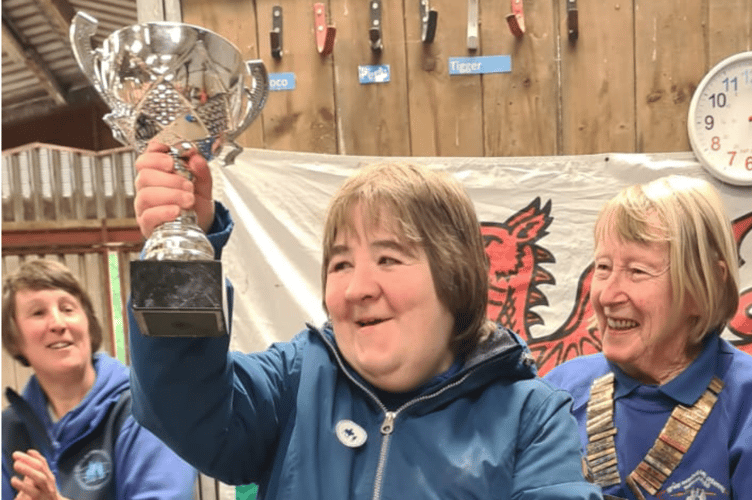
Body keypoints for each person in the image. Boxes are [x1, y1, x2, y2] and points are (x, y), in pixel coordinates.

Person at [127, 142, 603, 499]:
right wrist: (183, 251)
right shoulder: (297, 380)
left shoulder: (531, 419)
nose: (357, 289)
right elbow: (179, 402)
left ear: (456, 276)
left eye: (389, 259)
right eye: (340, 264)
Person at [545, 175, 752, 500]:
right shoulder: (560, 391)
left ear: (704, 285)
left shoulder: (745, 403)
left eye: (637, 271)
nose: (607, 295)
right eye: (602, 267)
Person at [2, 258, 197, 500]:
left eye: (67, 309)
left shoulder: (148, 410)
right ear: (14, 339)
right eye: (38, 312)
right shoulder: (8, 431)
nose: (58, 324)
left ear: (88, 323)